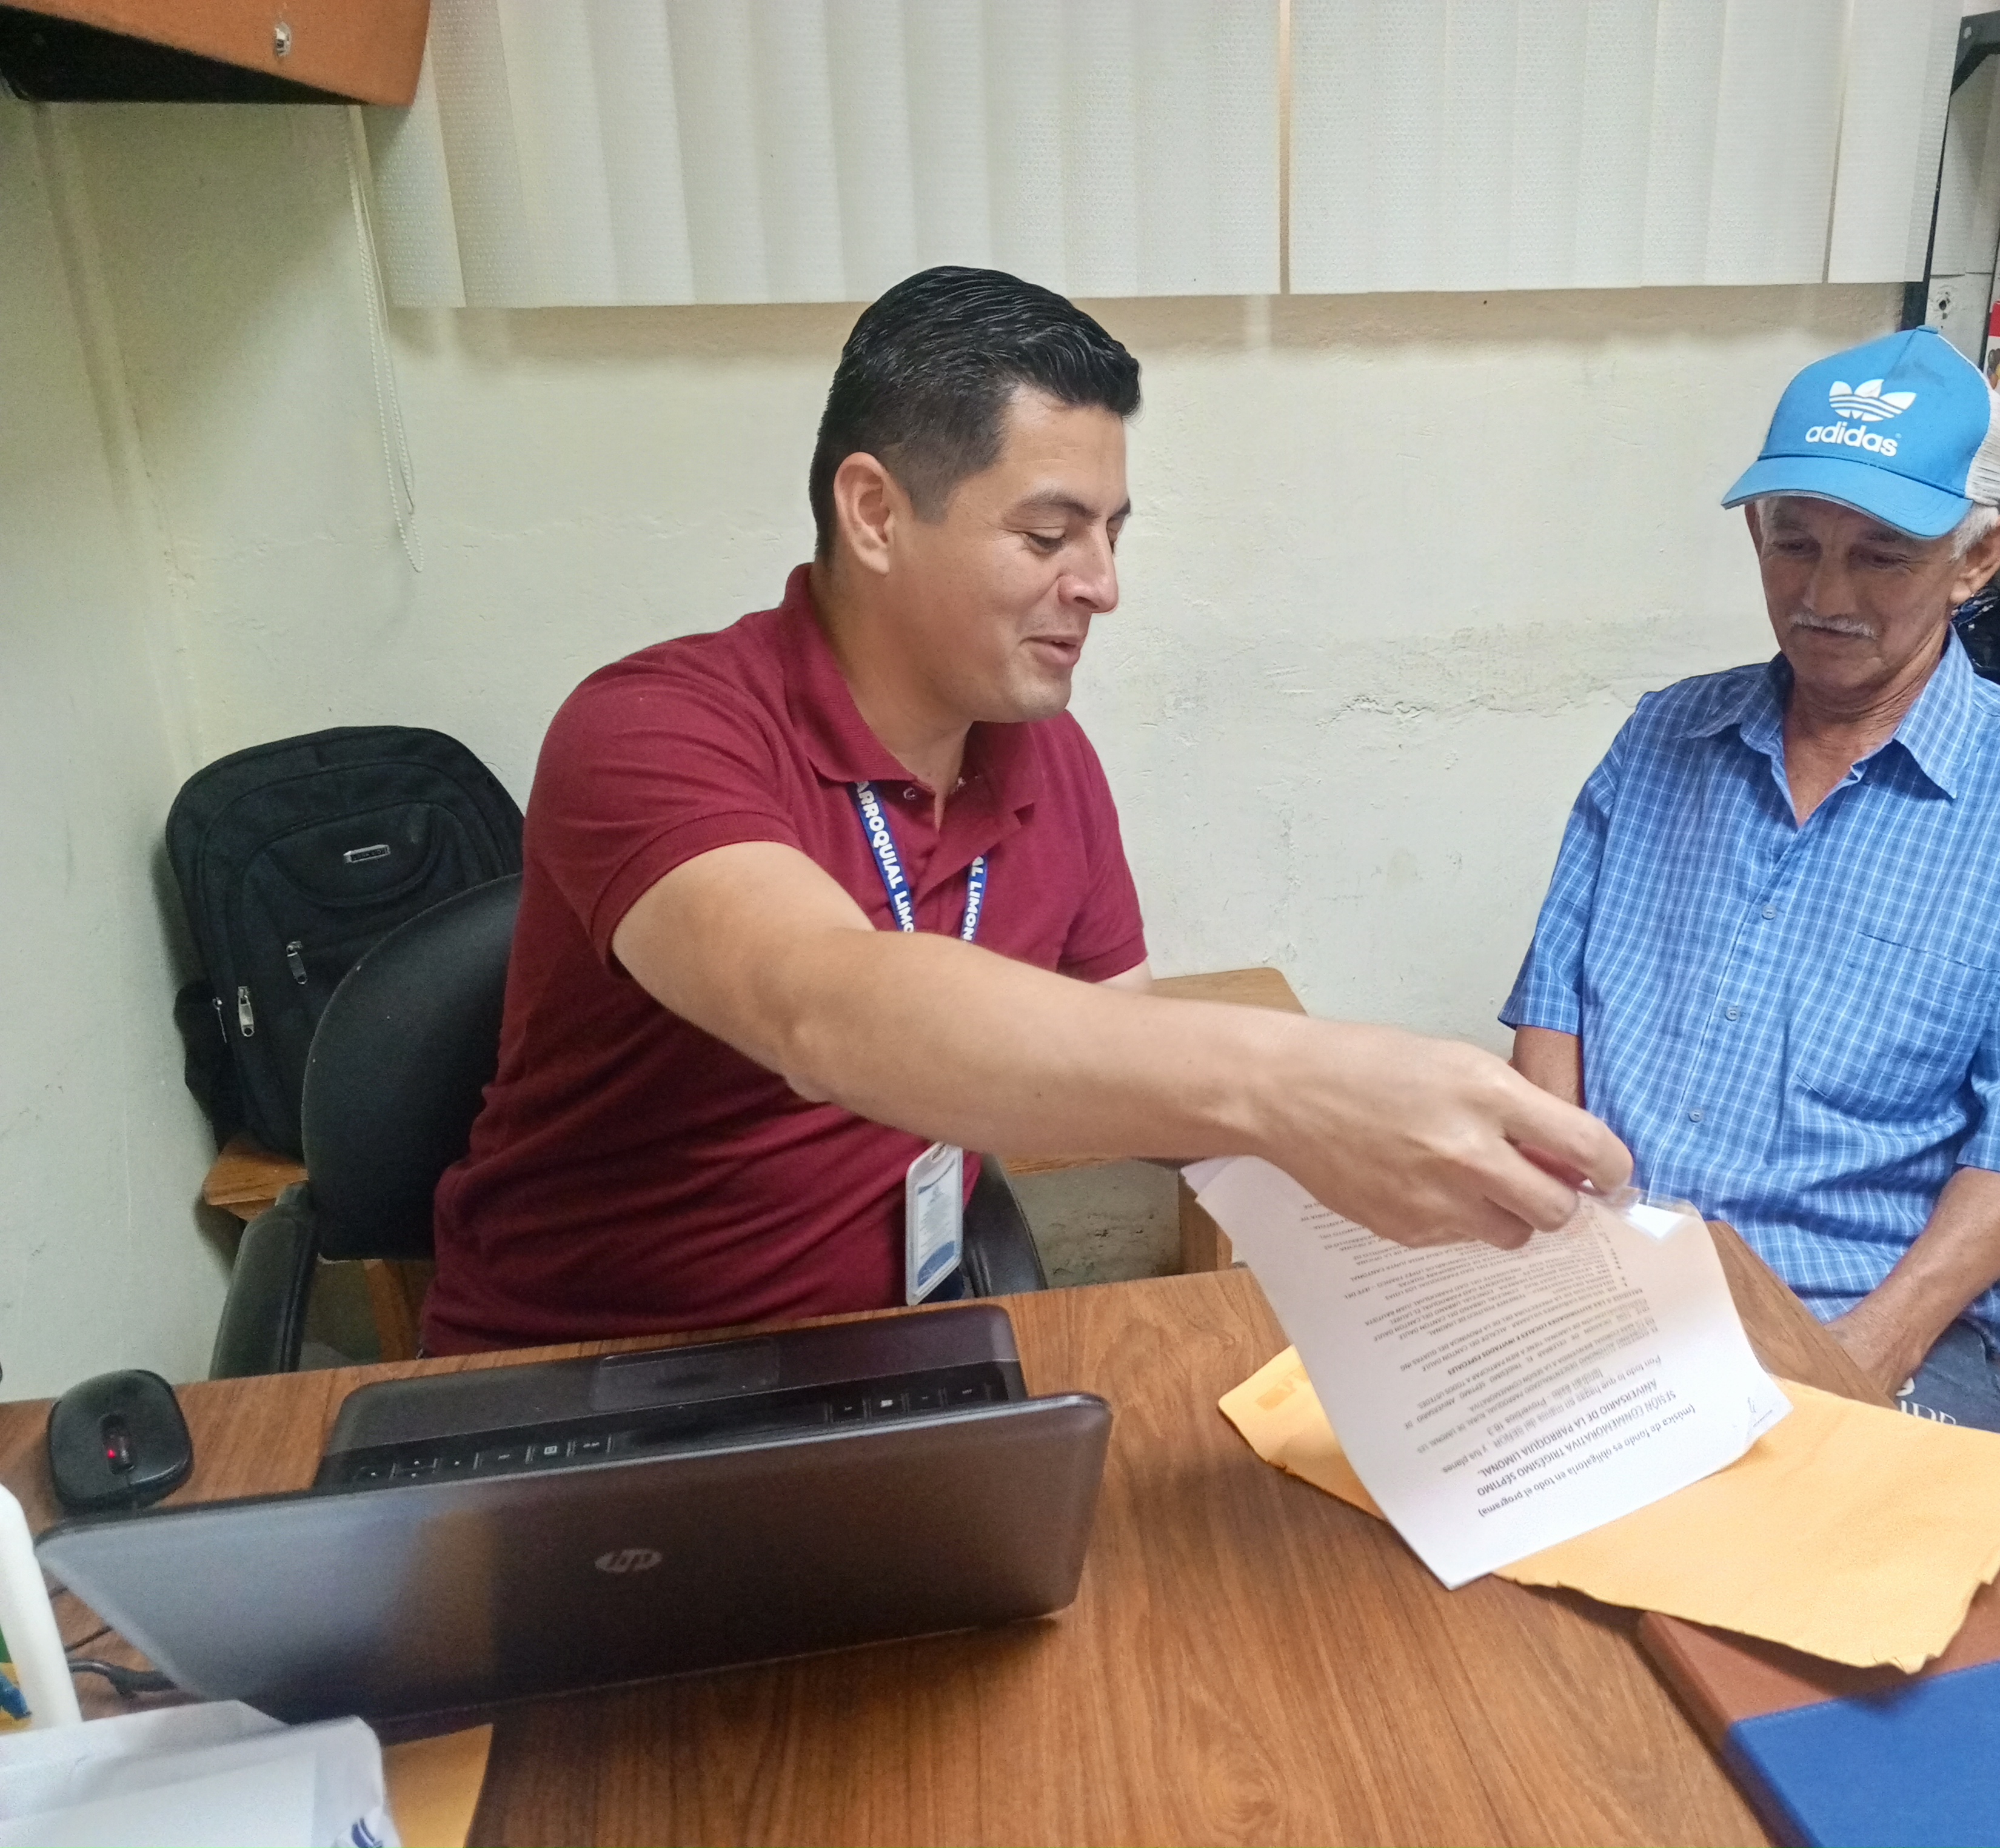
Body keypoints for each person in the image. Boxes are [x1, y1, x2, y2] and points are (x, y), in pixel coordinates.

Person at [424, 267, 1626, 1354]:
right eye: (1049, 534)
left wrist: (1417, 1159)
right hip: (580, 1382)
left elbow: (1126, 1051)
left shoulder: (1047, 758)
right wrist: (1295, 1079)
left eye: (1109, 534)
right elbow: (821, 1007)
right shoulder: (652, 729)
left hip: (885, 1366)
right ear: (875, 513)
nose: (1101, 585)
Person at [1502, 328, 2000, 1433]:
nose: (1823, 594)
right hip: (1611, 1263)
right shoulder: (1665, 737)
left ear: (1981, 556)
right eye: (1793, 543)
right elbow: (1553, 1010)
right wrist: (1564, 1247)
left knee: (1842, 1543)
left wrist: (1859, 1354)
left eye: (1883, 556)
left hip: (1860, 1306)